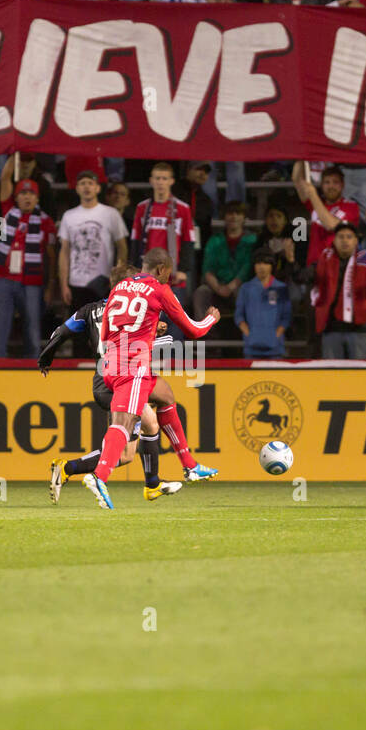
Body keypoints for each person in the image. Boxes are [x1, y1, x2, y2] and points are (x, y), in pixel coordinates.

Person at [81, 248, 220, 510]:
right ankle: (99, 476)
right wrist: (211, 319)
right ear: (160, 269)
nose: (169, 277)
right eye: (168, 272)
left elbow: (107, 329)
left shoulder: (120, 286)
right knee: (124, 423)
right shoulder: (159, 289)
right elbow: (193, 330)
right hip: (133, 367)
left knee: (166, 397)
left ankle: (190, 466)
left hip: (110, 361)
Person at [38, 272, 181, 503]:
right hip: (122, 375)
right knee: (151, 423)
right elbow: (134, 342)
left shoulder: (89, 310)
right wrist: (159, 333)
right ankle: (151, 484)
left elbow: (61, 331)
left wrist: (46, 356)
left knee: (126, 454)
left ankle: (67, 468)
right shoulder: (133, 309)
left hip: (103, 378)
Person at [58, 170, 129, 340]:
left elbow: (122, 248)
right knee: (78, 333)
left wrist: (117, 279)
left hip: (103, 282)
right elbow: (64, 252)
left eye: (90, 183)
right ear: (77, 189)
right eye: (82, 183)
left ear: (98, 188)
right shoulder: (69, 216)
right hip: (76, 283)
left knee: (104, 332)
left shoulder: (110, 214)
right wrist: (64, 284)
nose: (87, 187)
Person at [0, 176, 56, 359]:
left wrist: (51, 285)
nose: (27, 197)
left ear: (37, 198)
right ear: (16, 197)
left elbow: (51, 257)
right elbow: (4, 180)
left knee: (32, 330)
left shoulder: (46, 222)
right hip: (5, 279)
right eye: (23, 193)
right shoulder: (6, 213)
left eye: (31, 194)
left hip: (32, 283)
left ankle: (33, 367)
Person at [313, 223, 366, 358]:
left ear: (356, 241)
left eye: (349, 237)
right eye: (340, 237)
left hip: (360, 329)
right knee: (332, 376)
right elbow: (307, 279)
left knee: (362, 376)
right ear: (334, 241)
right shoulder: (323, 260)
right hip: (331, 328)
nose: (345, 240)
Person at [193, 201, 255, 320]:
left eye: (238, 213)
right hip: (217, 287)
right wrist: (218, 287)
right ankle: (204, 333)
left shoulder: (252, 240)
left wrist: (231, 286)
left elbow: (247, 268)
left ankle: (244, 333)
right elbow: (208, 269)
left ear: (244, 217)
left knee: (246, 291)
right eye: (230, 213)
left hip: (240, 286)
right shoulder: (214, 240)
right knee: (201, 292)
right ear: (224, 217)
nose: (234, 217)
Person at [235, 249, 291, 359]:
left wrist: (275, 336)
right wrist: (250, 335)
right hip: (251, 349)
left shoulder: (281, 288)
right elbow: (239, 316)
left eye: (266, 263)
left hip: (275, 349)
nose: (262, 267)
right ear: (254, 266)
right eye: (258, 263)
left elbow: (286, 317)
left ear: (272, 266)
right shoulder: (246, 288)